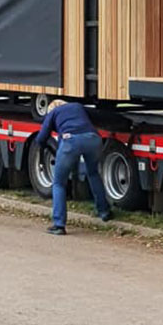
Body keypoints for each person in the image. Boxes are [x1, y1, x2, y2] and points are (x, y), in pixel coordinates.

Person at [34, 99, 112, 235]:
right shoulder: (77, 106)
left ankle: (59, 225)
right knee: (93, 173)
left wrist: (47, 146)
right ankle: (104, 211)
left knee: (59, 183)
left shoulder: (54, 112)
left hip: (70, 142)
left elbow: (41, 137)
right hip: (93, 139)